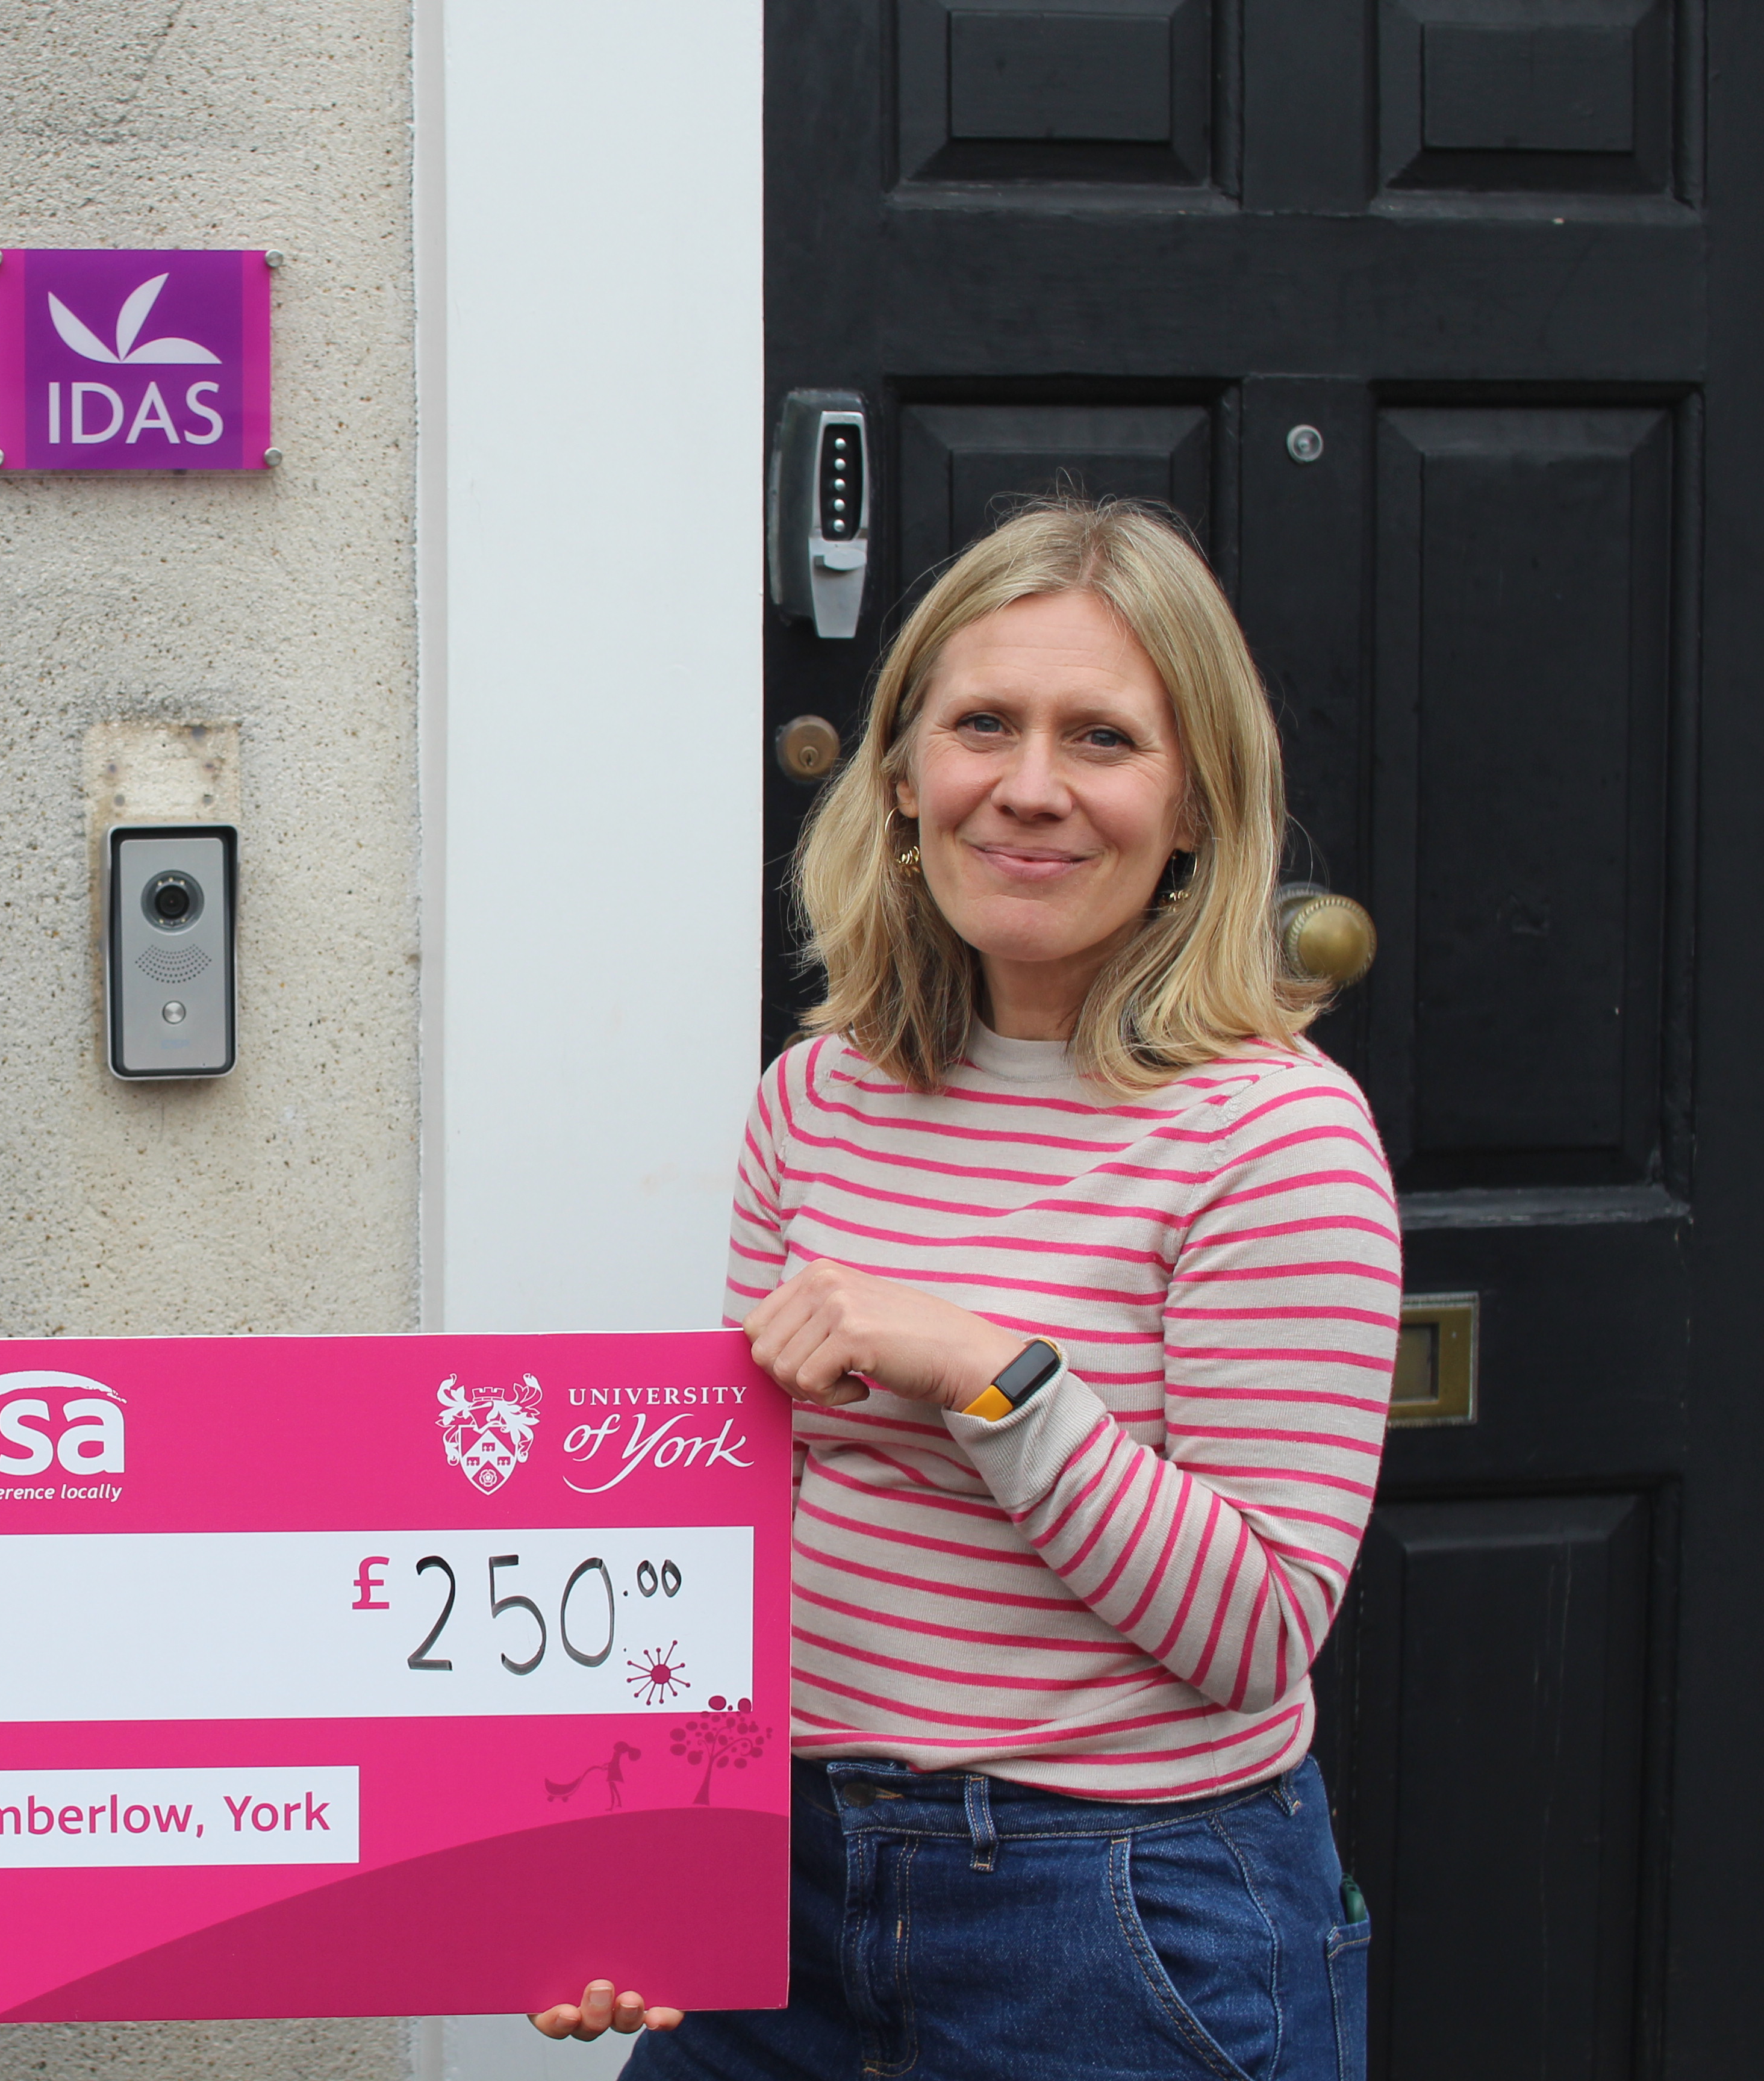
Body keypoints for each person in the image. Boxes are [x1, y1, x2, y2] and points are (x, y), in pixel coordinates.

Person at [534, 497, 1398, 2076]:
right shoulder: (821, 1097)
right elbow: (726, 1530)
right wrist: (626, 1862)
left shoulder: (1274, 1133)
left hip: (1119, 1908)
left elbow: (1258, 1627)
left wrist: (990, 1376)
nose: (1032, 787)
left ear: (1195, 804)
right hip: (780, 1885)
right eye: (983, 724)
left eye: (1105, 740)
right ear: (903, 778)